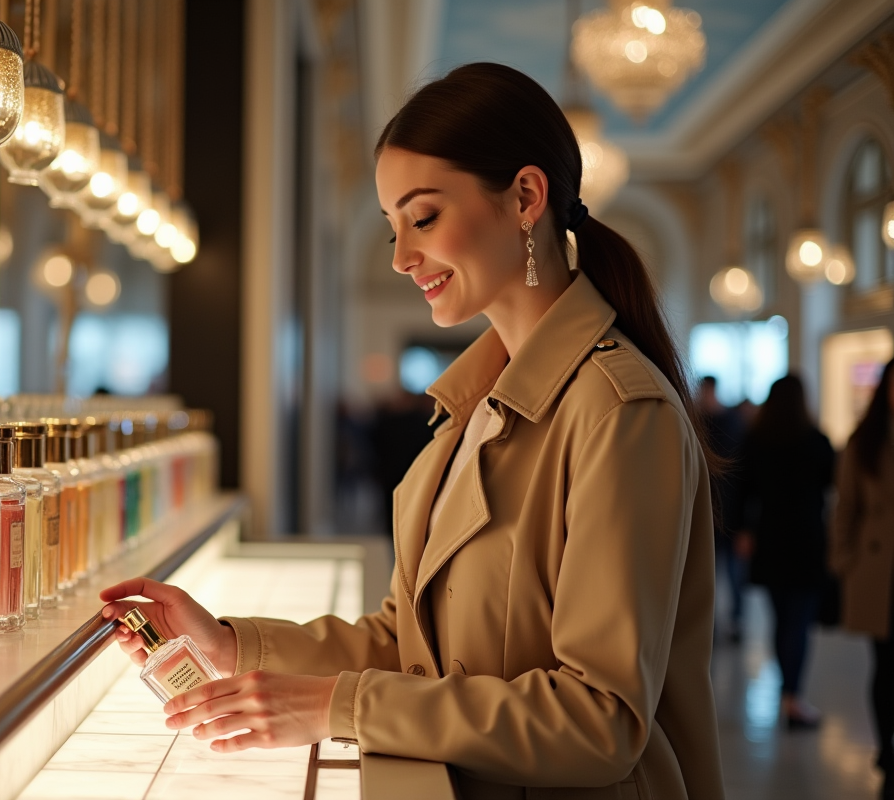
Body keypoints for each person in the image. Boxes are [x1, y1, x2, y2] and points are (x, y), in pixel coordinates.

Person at [100, 62, 725, 798]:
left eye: (423, 219)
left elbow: (599, 723)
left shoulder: (620, 413)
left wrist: (334, 707)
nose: (400, 258)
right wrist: (232, 645)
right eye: (392, 228)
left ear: (526, 198)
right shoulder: (473, 405)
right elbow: (409, 641)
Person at [735, 375, 835, 729]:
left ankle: (786, 694)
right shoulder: (816, 441)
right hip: (807, 538)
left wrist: (743, 531)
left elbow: (742, 490)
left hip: (771, 537)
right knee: (800, 621)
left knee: (781, 620)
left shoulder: (756, 440)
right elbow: (830, 484)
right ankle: (793, 697)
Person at [831, 359, 894, 797]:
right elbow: (845, 508)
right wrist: (845, 561)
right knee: (885, 667)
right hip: (878, 572)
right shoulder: (865, 442)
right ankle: (887, 752)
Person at [697, 375, 747, 643]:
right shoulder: (698, 422)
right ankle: (712, 625)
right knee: (709, 574)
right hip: (709, 511)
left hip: (730, 511)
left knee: (734, 574)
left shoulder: (730, 423)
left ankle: (736, 621)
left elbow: (741, 472)